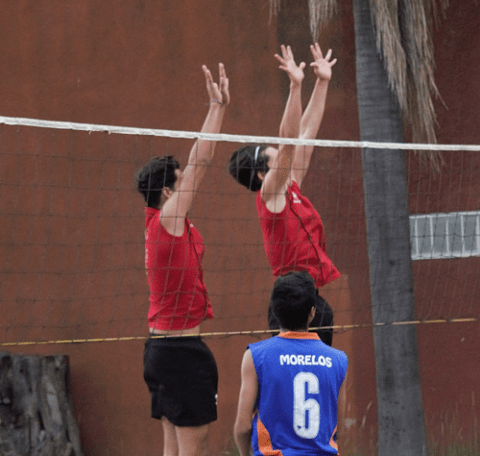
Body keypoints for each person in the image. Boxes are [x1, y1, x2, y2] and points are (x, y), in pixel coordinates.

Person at [135, 63, 229, 456]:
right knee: (194, 448)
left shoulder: (165, 223)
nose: (185, 181)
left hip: (162, 350)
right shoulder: (168, 220)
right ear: (167, 192)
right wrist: (216, 107)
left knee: (173, 447)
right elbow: (201, 162)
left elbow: (193, 166)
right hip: (178, 353)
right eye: (179, 179)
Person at [228, 43, 339, 345]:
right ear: (263, 174)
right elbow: (289, 140)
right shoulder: (271, 194)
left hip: (312, 300)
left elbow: (305, 135)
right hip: (290, 305)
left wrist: (322, 82)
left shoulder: (291, 186)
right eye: (275, 155)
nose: (282, 155)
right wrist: (294, 87)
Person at [233, 271, 348, 456]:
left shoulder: (256, 356)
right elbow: (339, 430)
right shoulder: (338, 361)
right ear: (312, 312)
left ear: (274, 311)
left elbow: (243, 427)